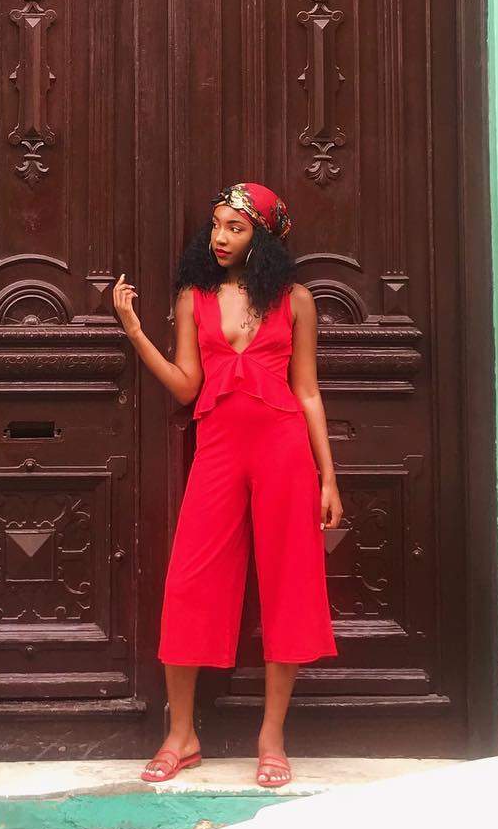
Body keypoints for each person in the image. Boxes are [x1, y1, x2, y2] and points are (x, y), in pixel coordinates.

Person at [112, 182, 343, 788]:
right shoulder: (195, 297)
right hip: (217, 449)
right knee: (189, 582)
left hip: (284, 450)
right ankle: (181, 735)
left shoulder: (295, 301)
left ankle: (271, 738)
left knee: (288, 584)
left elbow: (308, 391)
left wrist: (328, 477)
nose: (219, 236)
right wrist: (134, 330)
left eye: (234, 228)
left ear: (261, 238)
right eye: (216, 225)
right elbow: (187, 386)